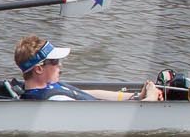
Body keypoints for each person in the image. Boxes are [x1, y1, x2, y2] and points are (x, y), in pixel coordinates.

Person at [11, 36, 161, 101]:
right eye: (55, 61)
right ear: (38, 69)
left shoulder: (50, 86)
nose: (60, 65)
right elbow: (107, 117)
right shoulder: (56, 100)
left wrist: (135, 97)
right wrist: (151, 98)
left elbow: (88, 94)